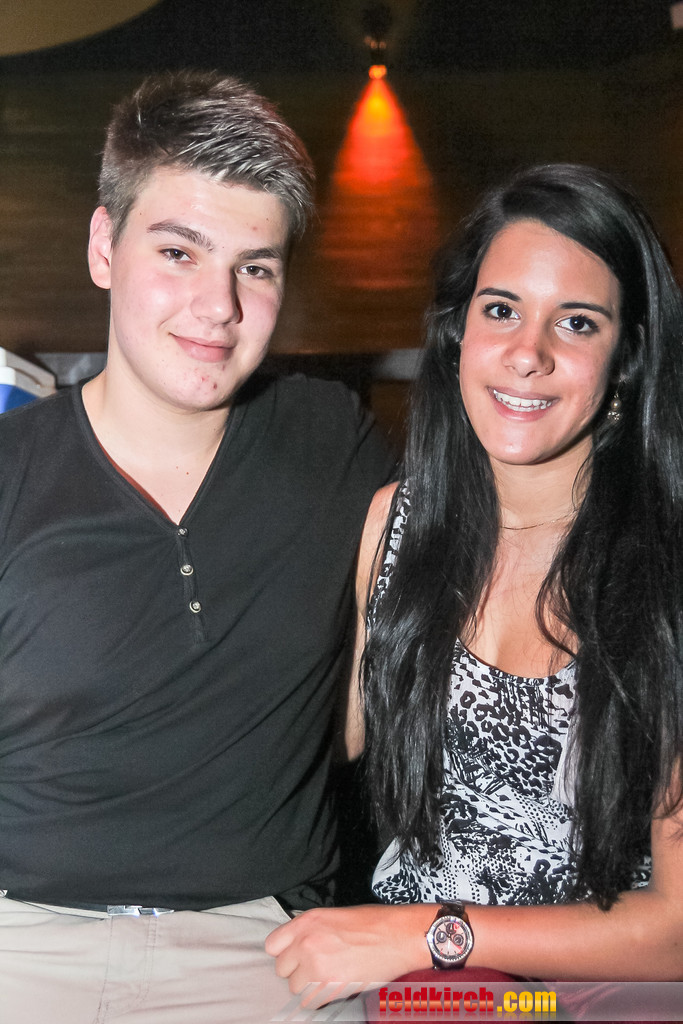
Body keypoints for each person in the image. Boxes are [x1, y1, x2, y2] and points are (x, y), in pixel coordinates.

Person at [0, 70, 393, 1023]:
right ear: (104, 246)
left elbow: (371, 701)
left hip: (264, 948)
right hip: (21, 937)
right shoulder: (11, 470)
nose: (217, 305)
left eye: (255, 267)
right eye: (179, 252)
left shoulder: (333, 442)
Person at [266, 164, 683, 1002]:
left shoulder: (666, 570)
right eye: (500, 310)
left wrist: (429, 932)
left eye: (576, 322)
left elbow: (676, 929)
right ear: (456, 330)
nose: (527, 354)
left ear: (627, 358)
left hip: (587, 994)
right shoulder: (394, 528)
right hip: (418, 993)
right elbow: (302, 749)